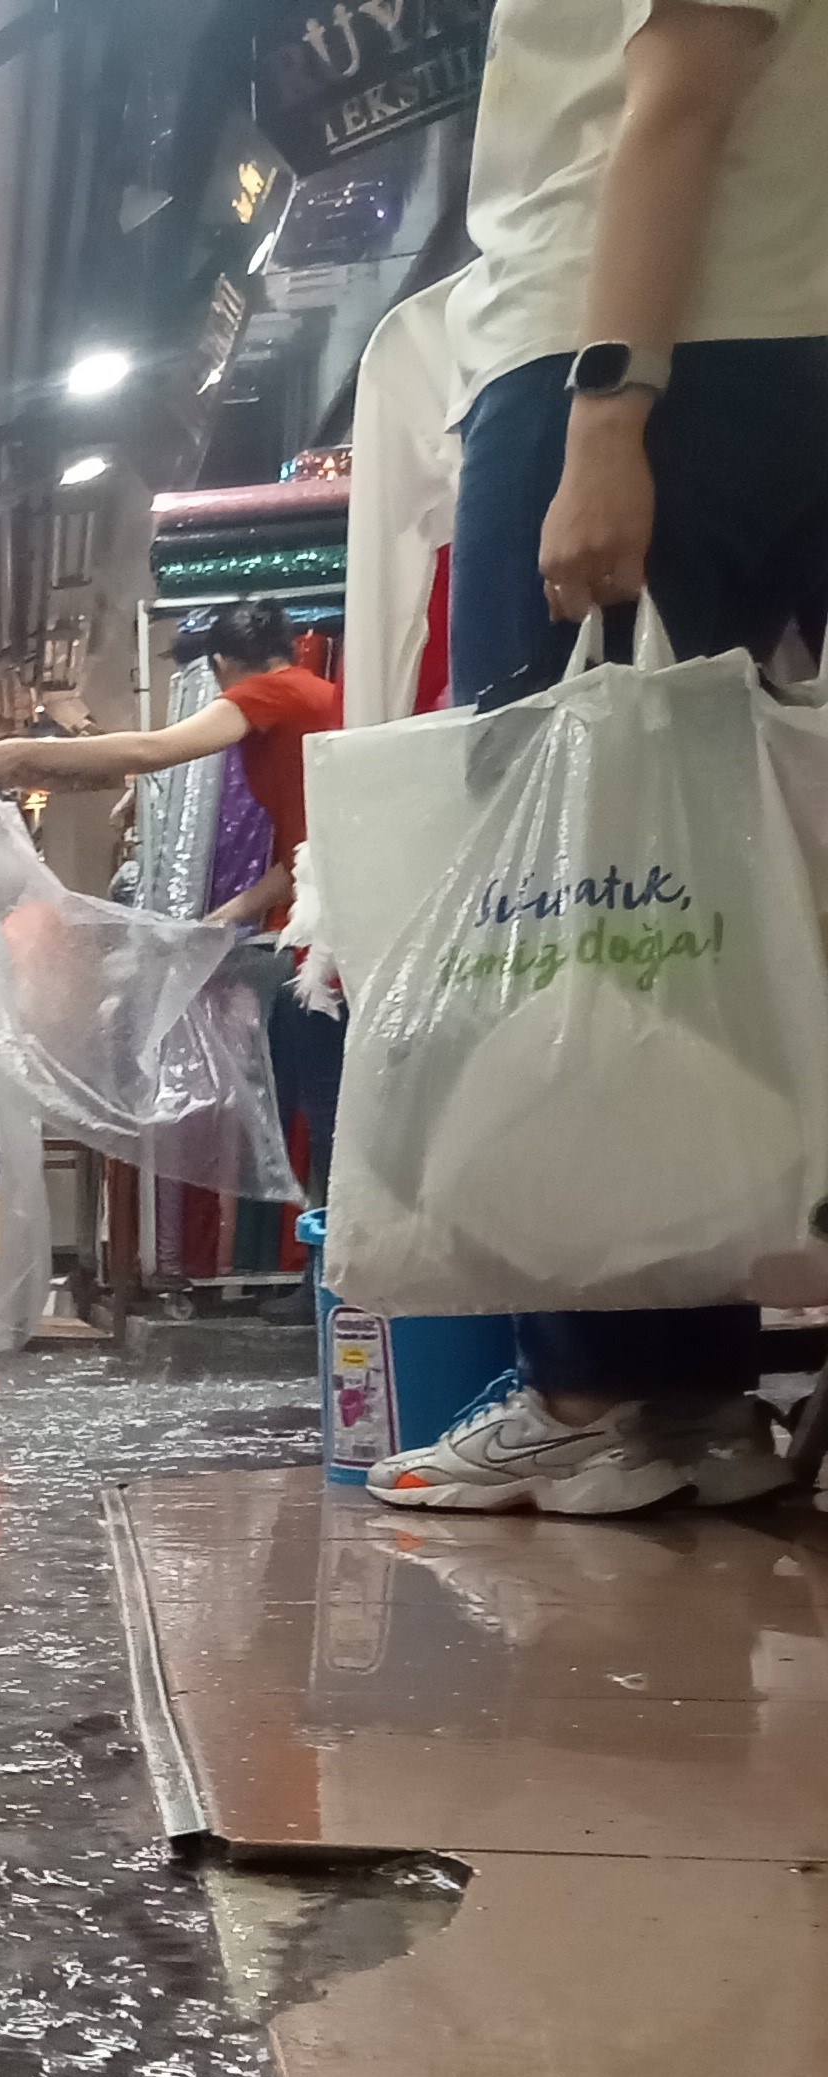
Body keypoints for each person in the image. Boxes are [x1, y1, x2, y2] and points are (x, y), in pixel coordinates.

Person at [361, 0, 828, 1515]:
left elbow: (680, 90)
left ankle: (590, 1388)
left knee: (570, 892)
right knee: (701, 887)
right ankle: (682, 1387)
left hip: (637, 355)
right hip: (757, 343)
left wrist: (608, 414)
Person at [0, 598, 343, 930]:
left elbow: (152, 751)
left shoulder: (270, 692)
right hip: (338, 888)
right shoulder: (319, 695)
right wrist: (214, 924)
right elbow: (301, 859)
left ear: (220, 663)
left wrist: (25, 751)